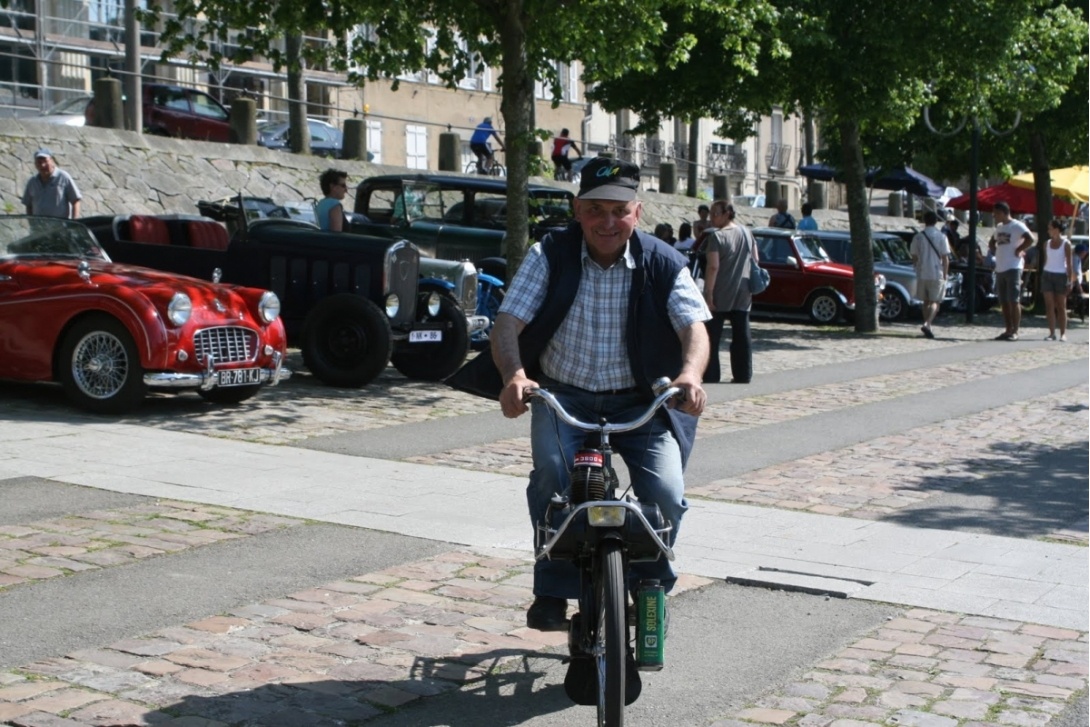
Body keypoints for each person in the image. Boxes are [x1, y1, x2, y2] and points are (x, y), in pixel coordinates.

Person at [490, 156, 710, 638]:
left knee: (667, 495)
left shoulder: (663, 261)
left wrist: (690, 375)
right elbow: (508, 321)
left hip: (642, 402)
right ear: (577, 210)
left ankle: (650, 587)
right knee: (551, 474)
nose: (606, 222)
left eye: (618, 210)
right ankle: (550, 587)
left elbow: (694, 326)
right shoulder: (551, 252)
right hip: (564, 397)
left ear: (637, 211)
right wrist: (515, 375)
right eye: (594, 210)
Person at [701, 200, 755, 383]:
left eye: (715, 213)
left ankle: (711, 374)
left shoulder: (717, 237)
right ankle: (743, 374)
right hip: (744, 289)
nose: (711, 217)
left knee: (712, 336)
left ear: (726, 214)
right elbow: (755, 259)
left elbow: (713, 267)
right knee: (741, 333)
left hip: (721, 290)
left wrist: (708, 293)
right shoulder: (747, 233)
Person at [987, 201, 1034, 341]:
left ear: (1003, 212)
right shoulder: (1000, 227)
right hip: (1000, 267)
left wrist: (1019, 250)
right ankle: (1008, 329)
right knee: (1004, 301)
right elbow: (992, 241)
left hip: (1014, 266)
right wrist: (994, 250)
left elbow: (1030, 239)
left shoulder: (1017, 225)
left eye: (996, 213)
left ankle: (1015, 331)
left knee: (1014, 300)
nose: (994, 216)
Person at [910, 211, 951, 339]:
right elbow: (945, 258)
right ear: (935, 221)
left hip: (922, 272)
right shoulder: (941, 236)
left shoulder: (918, 237)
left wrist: (917, 266)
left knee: (925, 301)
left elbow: (914, 255)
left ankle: (928, 325)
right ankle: (927, 323)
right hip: (936, 271)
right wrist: (945, 273)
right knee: (935, 301)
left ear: (924, 221)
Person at [1041, 219, 1077, 341]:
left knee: (1061, 305)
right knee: (1049, 305)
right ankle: (1051, 333)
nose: (1048, 230)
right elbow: (1046, 259)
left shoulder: (1066, 244)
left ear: (1057, 229)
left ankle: (1063, 333)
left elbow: (1069, 264)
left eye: (1050, 228)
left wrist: (1069, 280)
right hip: (1047, 274)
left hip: (1060, 275)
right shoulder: (1046, 243)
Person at [22, 148, 81, 219]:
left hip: (61, 227)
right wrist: (31, 222)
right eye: (39, 162)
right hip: (39, 227)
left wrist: (75, 222)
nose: (42, 165)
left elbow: (75, 200)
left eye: (45, 161)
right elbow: (28, 204)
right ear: (35, 164)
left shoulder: (63, 177)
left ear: (52, 161)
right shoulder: (32, 182)